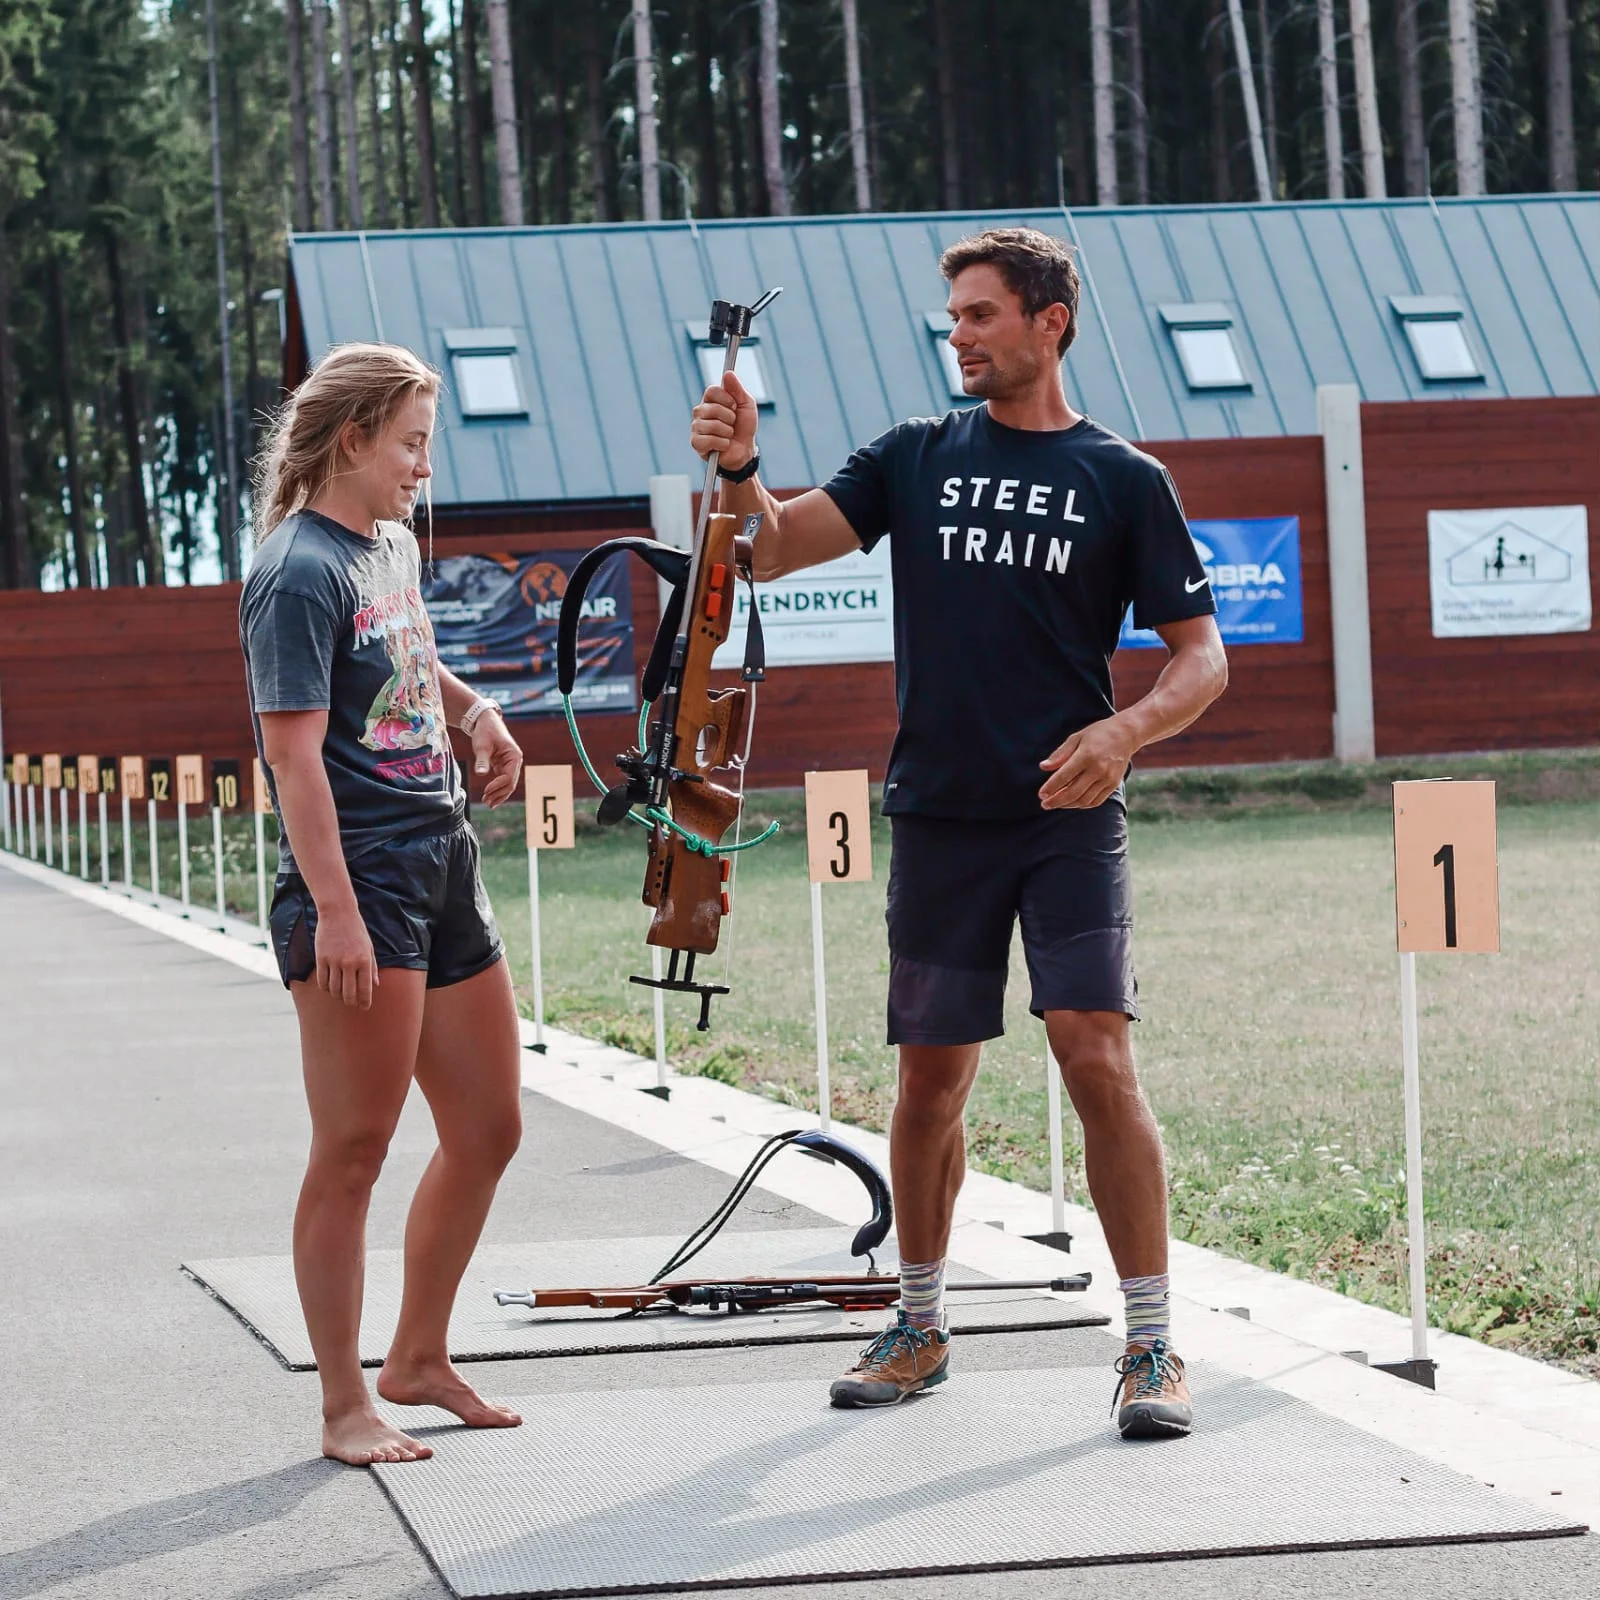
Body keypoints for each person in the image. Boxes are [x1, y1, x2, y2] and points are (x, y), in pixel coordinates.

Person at [690, 228, 1227, 1440]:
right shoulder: (913, 458)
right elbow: (770, 550)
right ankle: (919, 1324)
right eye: (954, 318)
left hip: (1065, 815)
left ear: (1050, 323)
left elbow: (1202, 659)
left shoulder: (1123, 478)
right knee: (931, 1080)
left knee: (1096, 1054)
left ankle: (1150, 1346)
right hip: (937, 813)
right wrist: (741, 467)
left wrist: (1123, 733)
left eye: (981, 314)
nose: (960, 335)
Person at [240, 343, 526, 1466]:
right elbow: (293, 762)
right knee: (354, 1148)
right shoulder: (295, 569)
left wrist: (472, 708)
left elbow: (404, 653)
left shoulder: (387, 543)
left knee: (489, 1127)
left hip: (442, 857)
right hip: (357, 883)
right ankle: (345, 1405)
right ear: (352, 438)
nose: (423, 465)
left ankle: (417, 1356)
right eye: (410, 443)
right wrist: (339, 914)